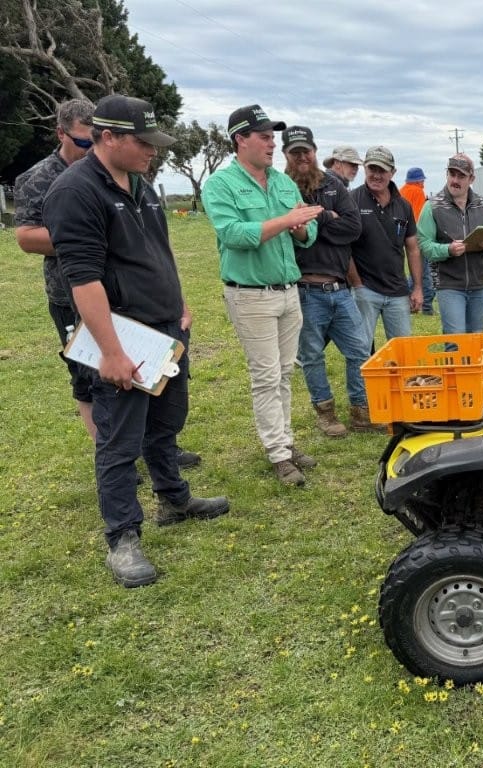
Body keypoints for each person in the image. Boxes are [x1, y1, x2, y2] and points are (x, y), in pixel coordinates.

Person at [43, 94, 229, 588]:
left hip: (165, 329)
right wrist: (111, 352)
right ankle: (122, 538)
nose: (153, 150)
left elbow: (159, 250)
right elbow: (82, 279)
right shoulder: (75, 191)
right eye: (143, 142)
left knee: (167, 421)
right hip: (124, 335)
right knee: (119, 439)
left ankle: (174, 497)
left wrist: (181, 303)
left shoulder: (142, 184)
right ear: (108, 138)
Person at [15, 98, 202, 469]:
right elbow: (25, 237)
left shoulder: (134, 180)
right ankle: (120, 457)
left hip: (133, 294)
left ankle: (157, 452)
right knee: (97, 383)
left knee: (154, 380)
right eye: (83, 142)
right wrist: (96, 233)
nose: (87, 150)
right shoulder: (46, 180)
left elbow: (157, 245)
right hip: (74, 293)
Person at [202, 104, 324, 486]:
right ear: (240, 139)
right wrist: (288, 221)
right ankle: (277, 453)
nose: (273, 144)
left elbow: (308, 235)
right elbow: (234, 235)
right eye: (265, 136)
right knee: (267, 376)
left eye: (274, 137)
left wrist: (302, 228)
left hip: (289, 291)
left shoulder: (284, 183)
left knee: (286, 373)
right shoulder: (220, 186)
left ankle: (285, 444)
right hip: (251, 295)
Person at [281, 125, 380, 436]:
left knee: (359, 351)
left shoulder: (334, 186)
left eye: (306, 151)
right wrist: (329, 218)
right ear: (286, 155)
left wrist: (315, 216)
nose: (301, 157)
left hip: (340, 289)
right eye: (294, 152)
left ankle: (361, 411)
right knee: (311, 356)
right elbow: (292, 236)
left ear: (314, 151)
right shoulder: (281, 188)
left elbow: (353, 229)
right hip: (305, 289)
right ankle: (326, 413)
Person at [417, 154, 483, 334]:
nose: (455, 180)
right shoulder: (432, 206)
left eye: (461, 176)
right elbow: (423, 244)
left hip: (479, 284)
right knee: (456, 341)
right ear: (446, 174)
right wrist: (447, 249)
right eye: (452, 174)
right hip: (449, 284)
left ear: (471, 178)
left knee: (476, 339)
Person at [349, 146, 423, 342]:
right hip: (366, 290)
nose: (376, 175)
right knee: (360, 350)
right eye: (372, 168)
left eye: (382, 170)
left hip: (398, 291)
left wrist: (416, 287)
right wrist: (357, 285)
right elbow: (343, 247)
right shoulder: (352, 200)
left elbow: (413, 248)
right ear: (365, 168)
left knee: (403, 351)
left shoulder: (403, 205)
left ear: (393, 172)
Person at [400, 166, 436, 315]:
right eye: (422, 180)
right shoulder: (418, 192)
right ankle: (426, 306)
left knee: (418, 271)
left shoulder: (401, 190)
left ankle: (410, 303)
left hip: (402, 235)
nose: (423, 183)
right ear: (419, 180)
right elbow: (420, 217)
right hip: (416, 236)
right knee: (423, 271)